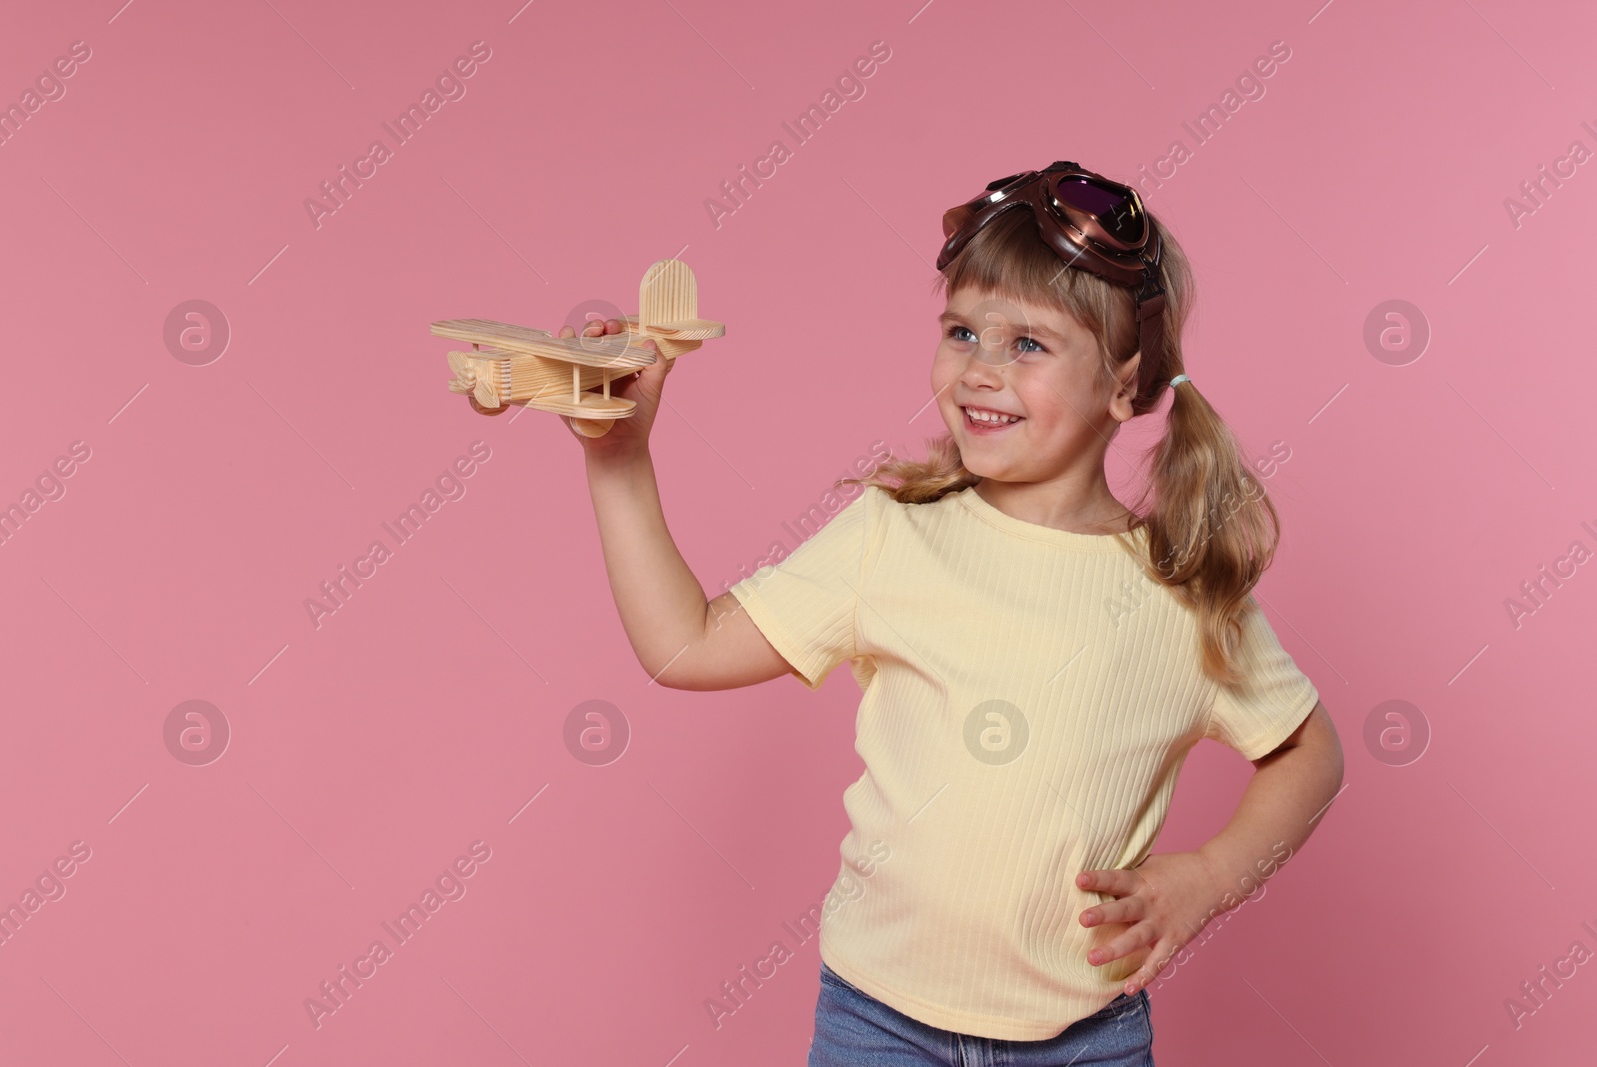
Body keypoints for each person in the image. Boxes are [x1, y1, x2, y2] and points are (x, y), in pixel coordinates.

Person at [558, 160, 1345, 1066]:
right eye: (963, 330)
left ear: (1126, 383)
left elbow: (1307, 751)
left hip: (1083, 1041)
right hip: (877, 1027)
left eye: (1028, 345)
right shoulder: (893, 538)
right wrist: (619, 460)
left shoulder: (1179, 591)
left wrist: (1208, 877)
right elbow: (683, 644)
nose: (980, 369)